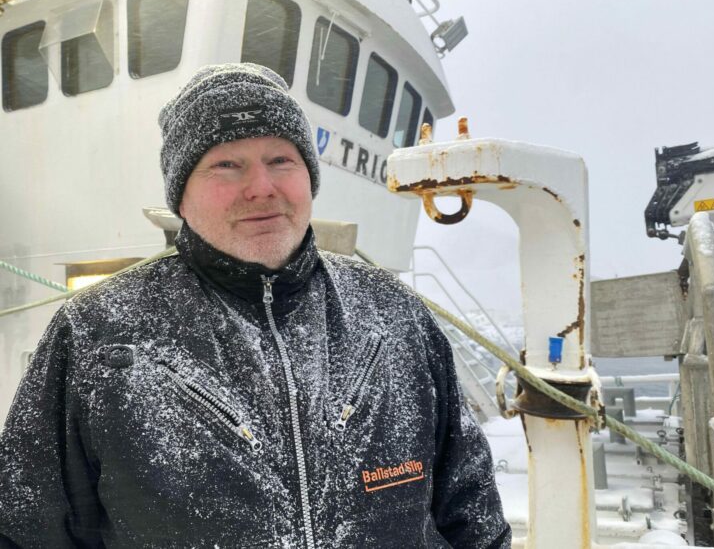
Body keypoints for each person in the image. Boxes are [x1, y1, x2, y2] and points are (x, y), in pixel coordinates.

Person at [0, 63, 511, 548]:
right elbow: (29, 531)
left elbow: (472, 519)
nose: (261, 188)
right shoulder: (97, 333)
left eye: (280, 160)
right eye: (227, 164)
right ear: (181, 195)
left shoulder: (393, 314)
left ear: (308, 176)